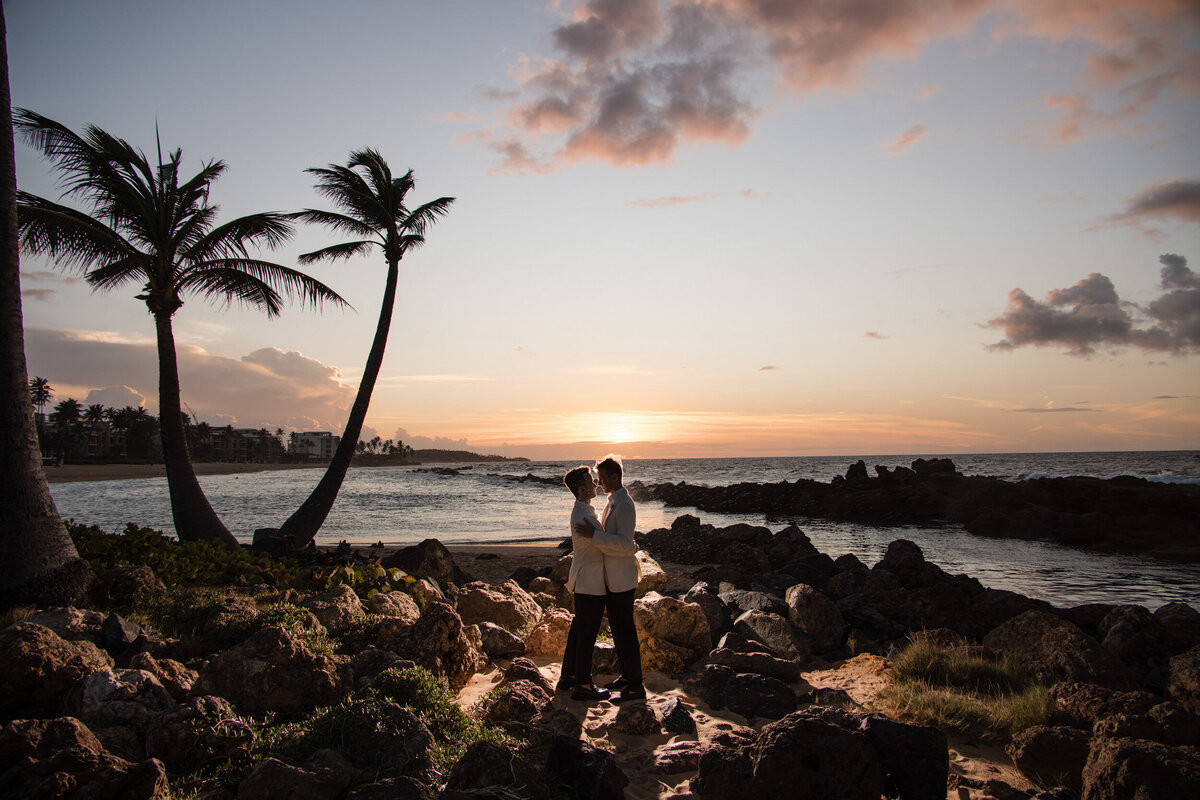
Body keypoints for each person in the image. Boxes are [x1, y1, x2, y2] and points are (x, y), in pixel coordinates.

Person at [574, 455, 645, 702]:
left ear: (616, 477)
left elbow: (626, 545)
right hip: (612, 580)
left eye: (603, 479)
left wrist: (595, 537)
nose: (600, 483)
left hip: (622, 580)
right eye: (599, 479)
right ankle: (627, 677)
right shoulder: (610, 502)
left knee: (625, 633)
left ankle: (635, 686)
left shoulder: (624, 504)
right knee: (618, 630)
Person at [557, 465, 610, 701]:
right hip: (590, 580)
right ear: (581, 489)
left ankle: (568, 676)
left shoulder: (583, 509)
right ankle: (583, 685)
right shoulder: (584, 515)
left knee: (579, 630)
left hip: (583, 579)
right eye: (591, 481)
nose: (596, 484)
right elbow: (602, 543)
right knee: (587, 633)